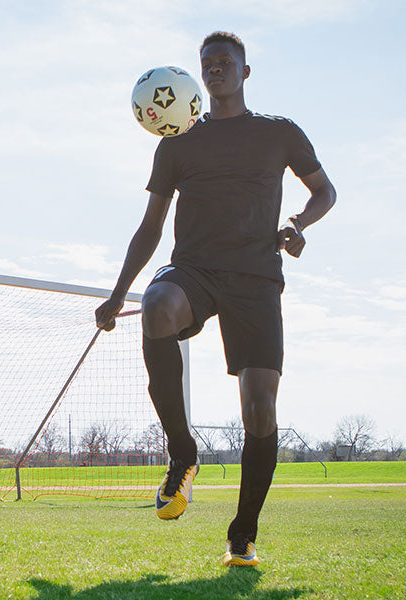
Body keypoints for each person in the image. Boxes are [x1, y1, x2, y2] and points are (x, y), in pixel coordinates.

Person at [95, 31, 336, 567]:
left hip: (255, 279)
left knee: (259, 412)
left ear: (245, 73)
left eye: (225, 62)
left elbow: (325, 190)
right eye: (207, 64)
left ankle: (242, 533)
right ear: (198, 76)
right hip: (195, 271)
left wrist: (297, 223)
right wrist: (117, 294)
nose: (215, 69)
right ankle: (182, 454)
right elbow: (150, 226)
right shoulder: (177, 141)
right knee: (157, 307)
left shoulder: (280, 133)